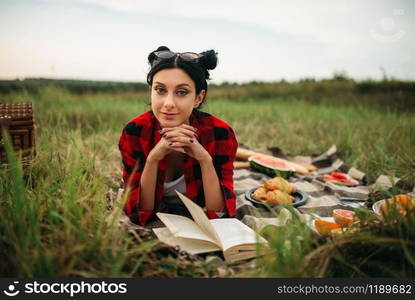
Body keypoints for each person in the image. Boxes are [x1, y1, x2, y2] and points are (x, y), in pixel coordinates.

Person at [118, 46, 238, 227]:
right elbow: (139, 214)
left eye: (181, 92)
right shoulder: (134, 133)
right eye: (160, 90)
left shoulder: (221, 134)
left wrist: (204, 159)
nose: (168, 104)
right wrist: (153, 159)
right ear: (151, 91)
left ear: (198, 98)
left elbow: (220, 214)